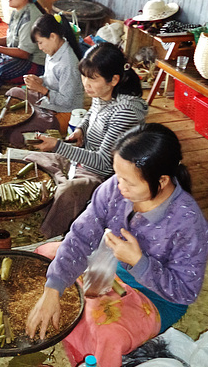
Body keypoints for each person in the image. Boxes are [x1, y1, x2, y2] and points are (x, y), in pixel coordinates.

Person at [26, 123, 208, 367]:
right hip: (109, 263)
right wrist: (53, 289)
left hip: (154, 294)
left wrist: (139, 262)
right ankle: (71, 311)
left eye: (129, 183)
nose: (119, 187)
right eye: (117, 175)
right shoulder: (115, 188)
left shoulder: (188, 223)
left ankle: (95, 339)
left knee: (107, 332)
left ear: (163, 180)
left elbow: (185, 292)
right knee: (45, 257)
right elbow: (80, 236)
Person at [25, 42, 148, 238]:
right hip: (81, 159)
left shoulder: (125, 111)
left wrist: (58, 145)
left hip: (103, 175)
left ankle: (53, 235)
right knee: (32, 160)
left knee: (69, 191)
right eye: (83, 76)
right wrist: (81, 129)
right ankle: (51, 198)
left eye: (92, 78)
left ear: (114, 79)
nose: (85, 83)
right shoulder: (103, 91)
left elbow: (103, 162)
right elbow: (92, 112)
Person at [4, 13, 85, 145]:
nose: (40, 47)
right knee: (12, 93)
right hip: (47, 100)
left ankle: (36, 121)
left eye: (41, 42)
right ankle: (33, 117)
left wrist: (42, 90)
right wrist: (39, 80)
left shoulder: (68, 63)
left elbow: (67, 101)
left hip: (62, 113)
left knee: (14, 136)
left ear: (52, 36)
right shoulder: (53, 50)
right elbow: (50, 79)